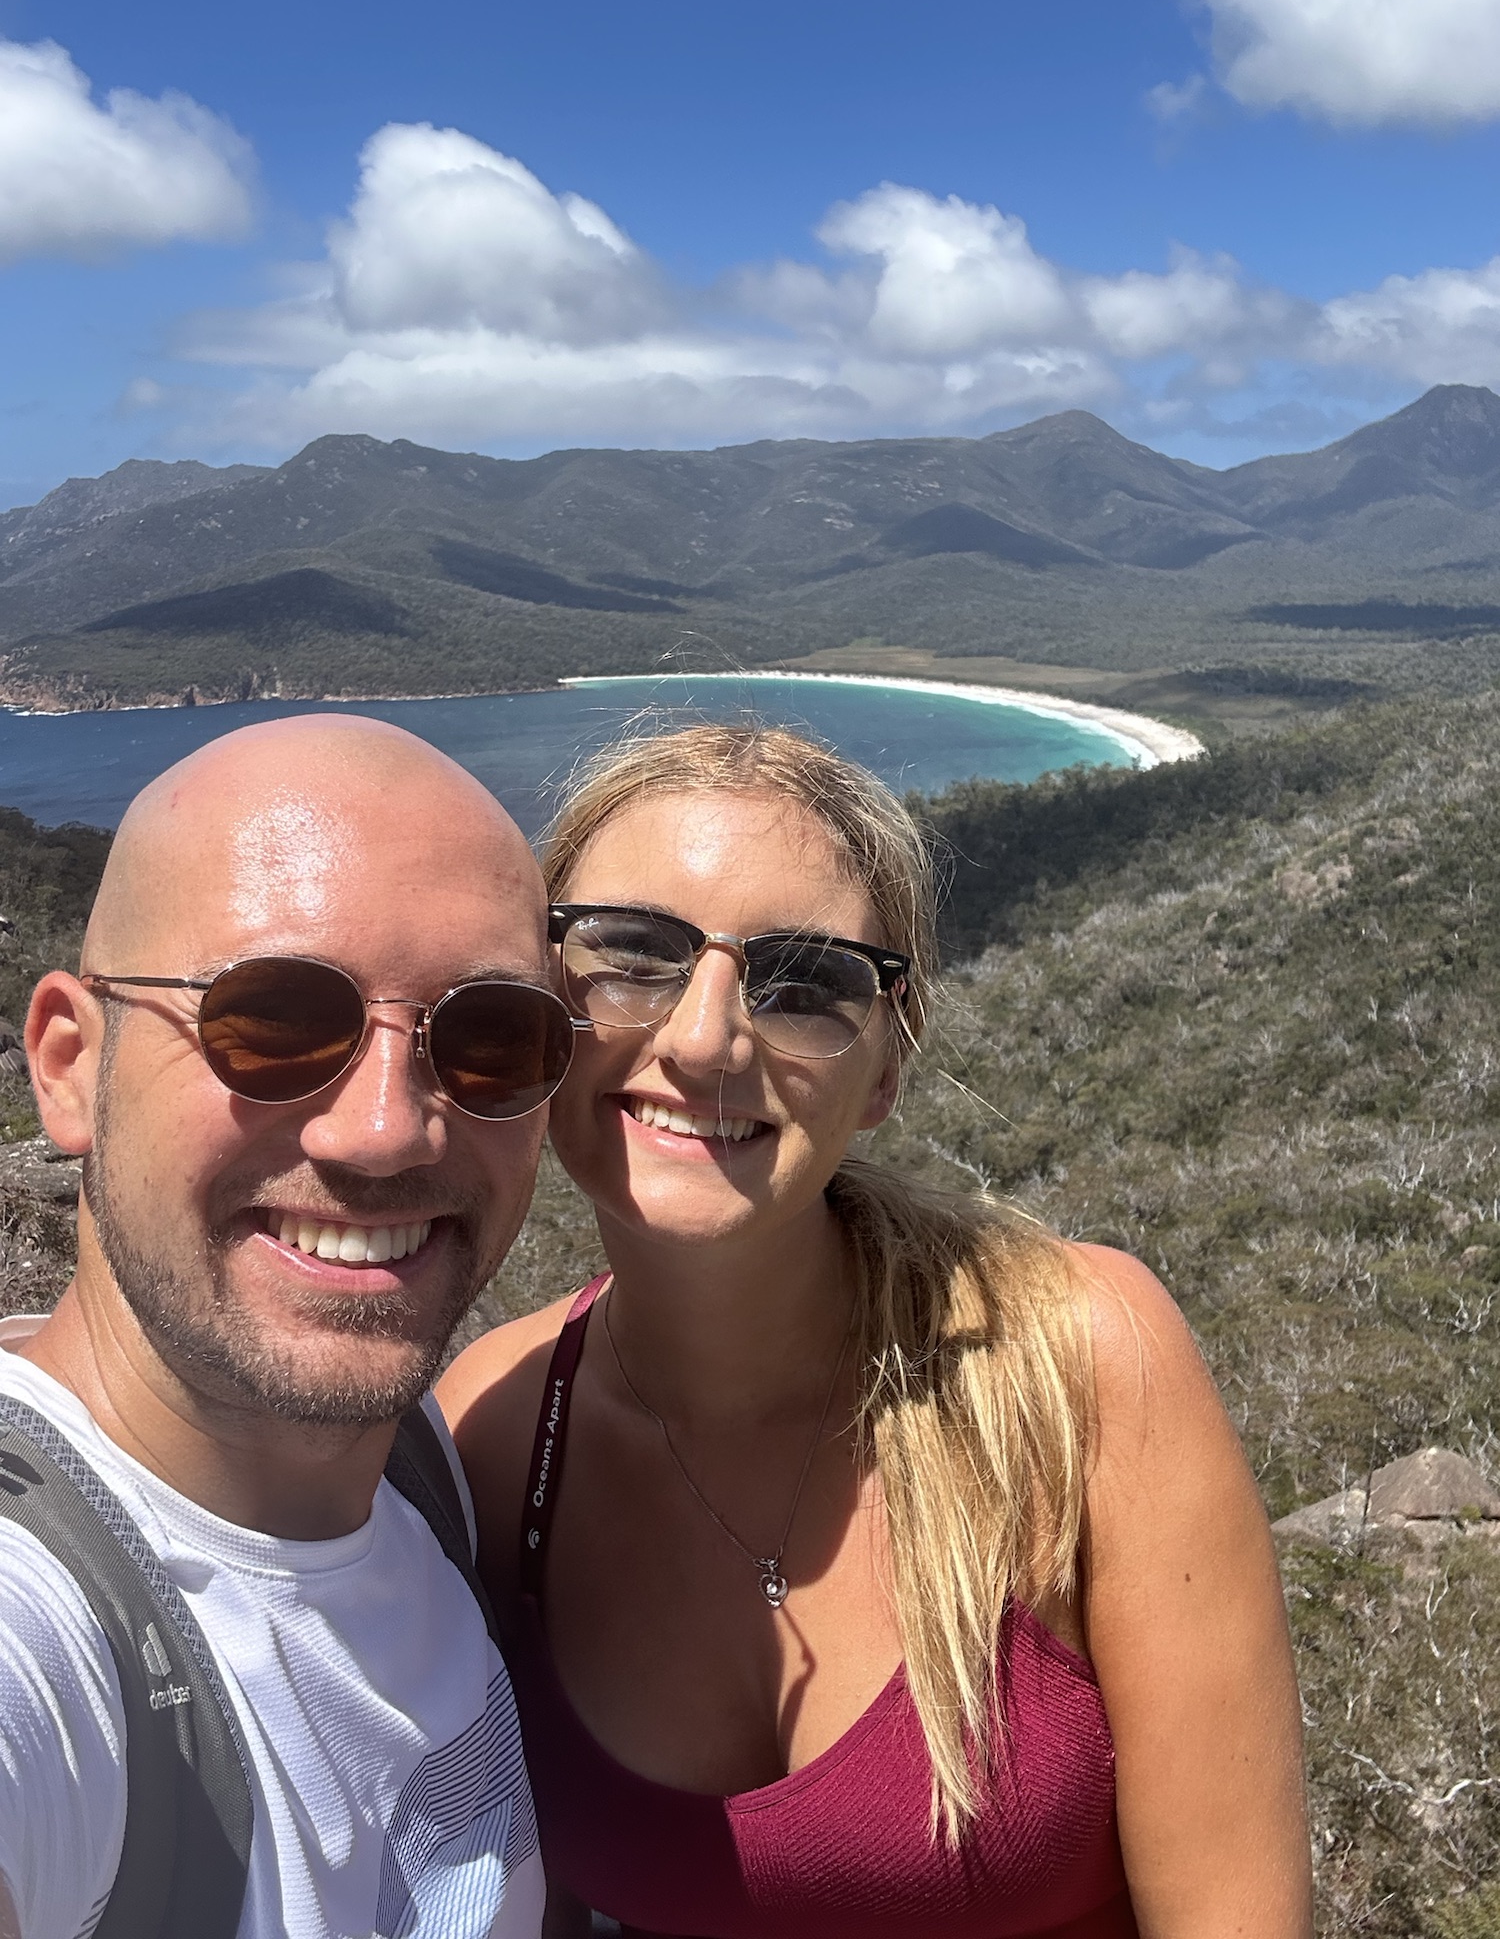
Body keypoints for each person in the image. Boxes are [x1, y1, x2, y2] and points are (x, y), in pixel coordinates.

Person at [439, 722, 1314, 1939]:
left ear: (888, 1066)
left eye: (804, 981)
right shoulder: (492, 1432)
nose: (703, 1038)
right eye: (630, 954)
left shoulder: (1080, 1366)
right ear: (540, 1001)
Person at [0, 714, 578, 1939]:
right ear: (67, 1064)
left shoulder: (432, 1465)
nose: (384, 1127)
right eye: (273, 1020)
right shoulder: (38, 1638)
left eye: (489, 1040)